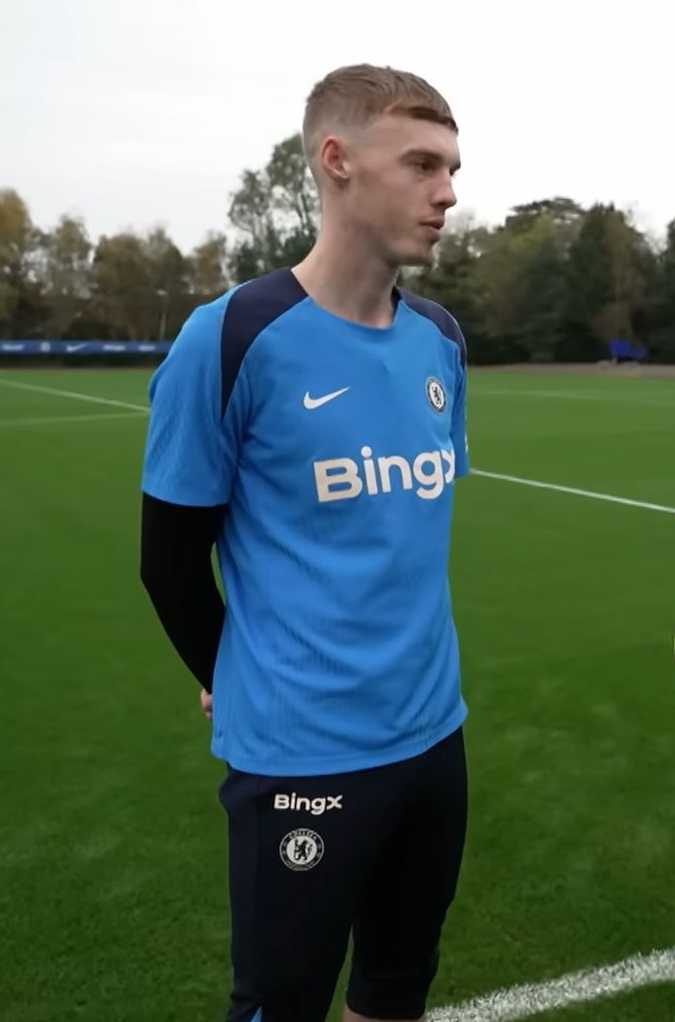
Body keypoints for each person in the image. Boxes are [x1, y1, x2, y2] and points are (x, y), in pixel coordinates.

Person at [138, 64, 471, 1022]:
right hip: (301, 757)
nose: (447, 192)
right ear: (337, 163)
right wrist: (229, 671)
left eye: (452, 167)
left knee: (397, 992)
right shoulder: (233, 336)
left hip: (434, 738)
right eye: (421, 163)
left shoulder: (441, 340)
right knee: (279, 1005)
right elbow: (167, 559)